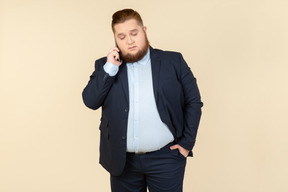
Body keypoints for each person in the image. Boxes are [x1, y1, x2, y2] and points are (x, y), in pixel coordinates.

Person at [82, 8, 203, 192]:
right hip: (122, 162)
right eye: (122, 37)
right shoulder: (105, 66)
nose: (129, 41)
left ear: (144, 31)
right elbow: (90, 101)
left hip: (166, 159)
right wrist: (109, 69)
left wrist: (186, 143)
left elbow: (193, 101)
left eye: (134, 33)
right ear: (115, 40)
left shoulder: (173, 61)